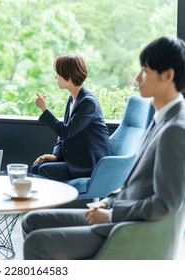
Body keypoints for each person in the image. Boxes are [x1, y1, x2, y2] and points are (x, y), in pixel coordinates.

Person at [22, 36, 185, 259]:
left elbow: (166, 205)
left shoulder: (175, 129)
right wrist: (108, 201)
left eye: (145, 70)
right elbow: (135, 182)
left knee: (36, 243)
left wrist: (111, 214)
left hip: (123, 226)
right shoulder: (160, 119)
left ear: (167, 75)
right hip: (114, 210)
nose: (137, 78)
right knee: (32, 219)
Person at [31, 54, 112, 181]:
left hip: (90, 163)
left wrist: (44, 110)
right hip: (77, 159)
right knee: (37, 167)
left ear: (68, 78)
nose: (55, 77)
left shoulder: (88, 103)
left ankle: (55, 200)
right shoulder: (72, 99)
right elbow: (63, 136)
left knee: (43, 170)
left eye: (58, 74)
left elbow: (66, 131)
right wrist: (56, 156)